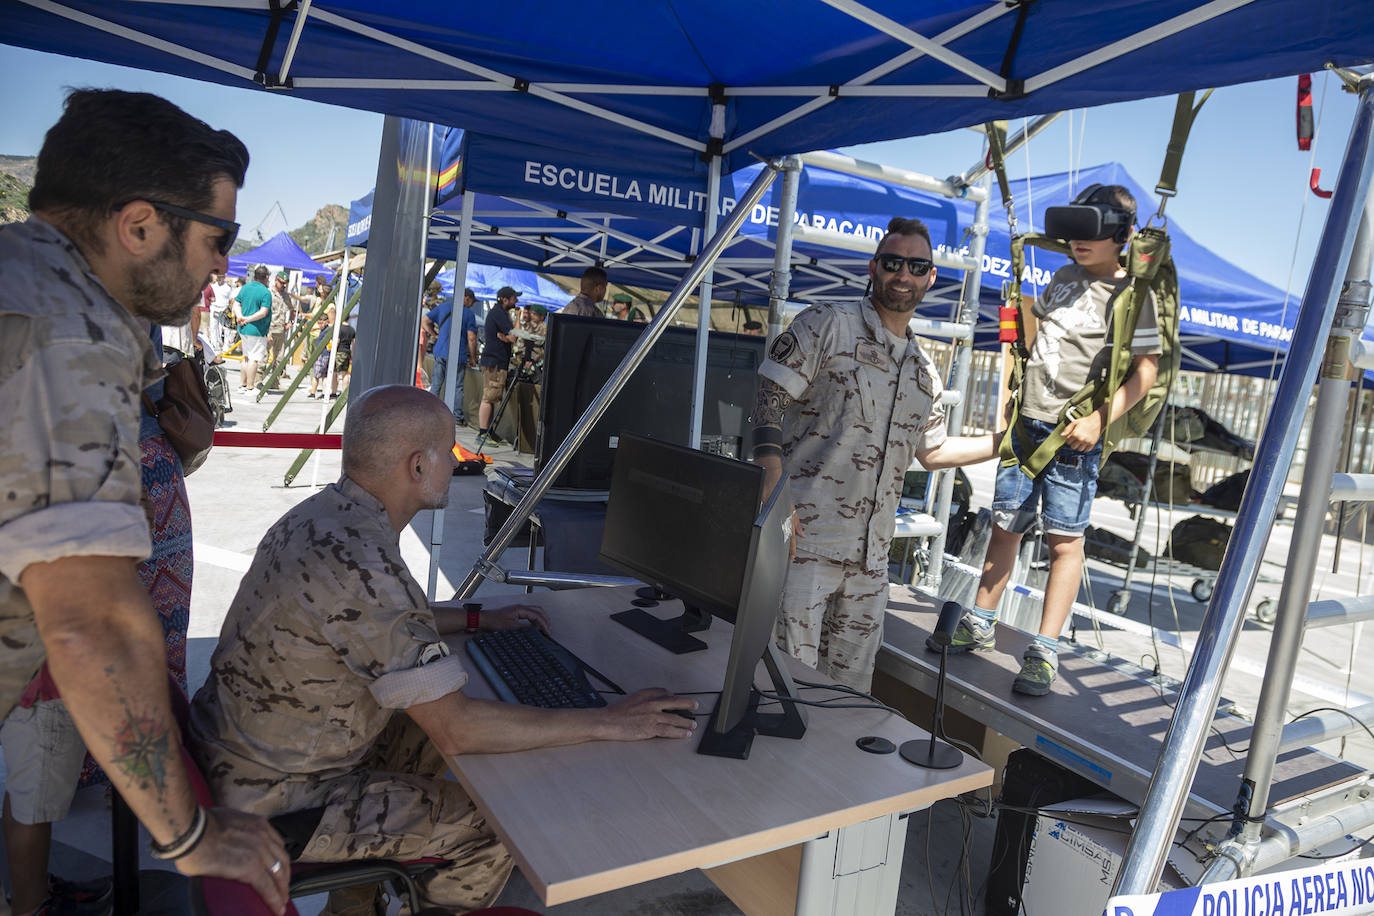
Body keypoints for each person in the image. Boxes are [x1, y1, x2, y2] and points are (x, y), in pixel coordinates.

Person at [189, 385, 696, 915]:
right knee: (497, 826)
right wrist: (608, 722)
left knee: (431, 742)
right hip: (279, 802)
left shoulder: (325, 517)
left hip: (244, 758)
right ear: (417, 467)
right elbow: (457, 725)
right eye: (451, 452)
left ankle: (354, 907)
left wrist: (479, 618)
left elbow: (368, 620)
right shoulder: (367, 565)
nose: (456, 465)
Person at [0, 88, 289, 912]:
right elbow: (90, 619)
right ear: (138, 226)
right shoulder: (67, 329)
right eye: (217, 238)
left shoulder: (26, 281)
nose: (224, 265)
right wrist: (188, 833)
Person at [752, 217, 1002, 692]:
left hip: (871, 568)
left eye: (916, 265)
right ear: (873, 268)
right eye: (892, 263)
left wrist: (1003, 442)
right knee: (781, 689)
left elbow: (934, 451)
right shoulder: (828, 324)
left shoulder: (925, 371)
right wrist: (770, 473)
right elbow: (770, 391)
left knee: (848, 699)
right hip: (804, 546)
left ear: (931, 277)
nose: (902, 274)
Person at [2, 324, 199, 916]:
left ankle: (36, 888)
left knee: (42, 786)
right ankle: (30, 903)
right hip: (48, 665)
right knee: (34, 797)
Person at [948, 185, 1161, 697]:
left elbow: (1146, 370)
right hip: (1029, 425)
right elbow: (1035, 333)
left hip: (1075, 437)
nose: (1079, 244)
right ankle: (981, 620)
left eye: (1092, 234)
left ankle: (1044, 648)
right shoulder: (1064, 277)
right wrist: (1013, 309)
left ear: (1121, 236)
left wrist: (1100, 421)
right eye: (1074, 234)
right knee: (1006, 525)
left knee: (1065, 541)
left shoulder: (1133, 295)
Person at [423, 286, 479, 425]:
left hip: (440, 351)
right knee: (457, 386)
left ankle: (429, 412)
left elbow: (424, 320)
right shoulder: (468, 314)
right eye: (472, 301)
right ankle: (456, 416)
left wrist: (435, 335)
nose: (472, 305)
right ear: (466, 298)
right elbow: (471, 338)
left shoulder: (443, 307)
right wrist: (473, 357)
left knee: (436, 384)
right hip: (458, 354)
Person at [478, 286, 521, 444]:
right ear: (505, 299)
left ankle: (487, 431)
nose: (516, 301)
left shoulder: (499, 313)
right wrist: (518, 317)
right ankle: (482, 433)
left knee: (492, 396)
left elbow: (509, 337)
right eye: (514, 298)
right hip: (495, 362)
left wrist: (506, 337)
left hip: (496, 361)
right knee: (489, 397)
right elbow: (514, 336)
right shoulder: (499, 313)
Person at [234, 265, 272, 391]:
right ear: (266, 277)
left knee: (246, 357)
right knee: (254, 359)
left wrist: (240, 316)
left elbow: (236, 303)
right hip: (257, 329)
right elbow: (263, 312)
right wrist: (247, 319)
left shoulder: (245, 288)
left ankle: (242, 384)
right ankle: (250, 386)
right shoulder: (266, 292)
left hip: (243, 328)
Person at [266, 270, 297, 381]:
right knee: (264, 357)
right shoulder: (268, 293)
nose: (284, 285)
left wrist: (290, 322)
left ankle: (275, 382)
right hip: (269, 329)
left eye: (285, 283)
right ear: (276, 280)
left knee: (279, 359)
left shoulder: (286, 296)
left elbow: (292, 310)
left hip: (280, 330)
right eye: (282, 282)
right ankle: (258, 382)